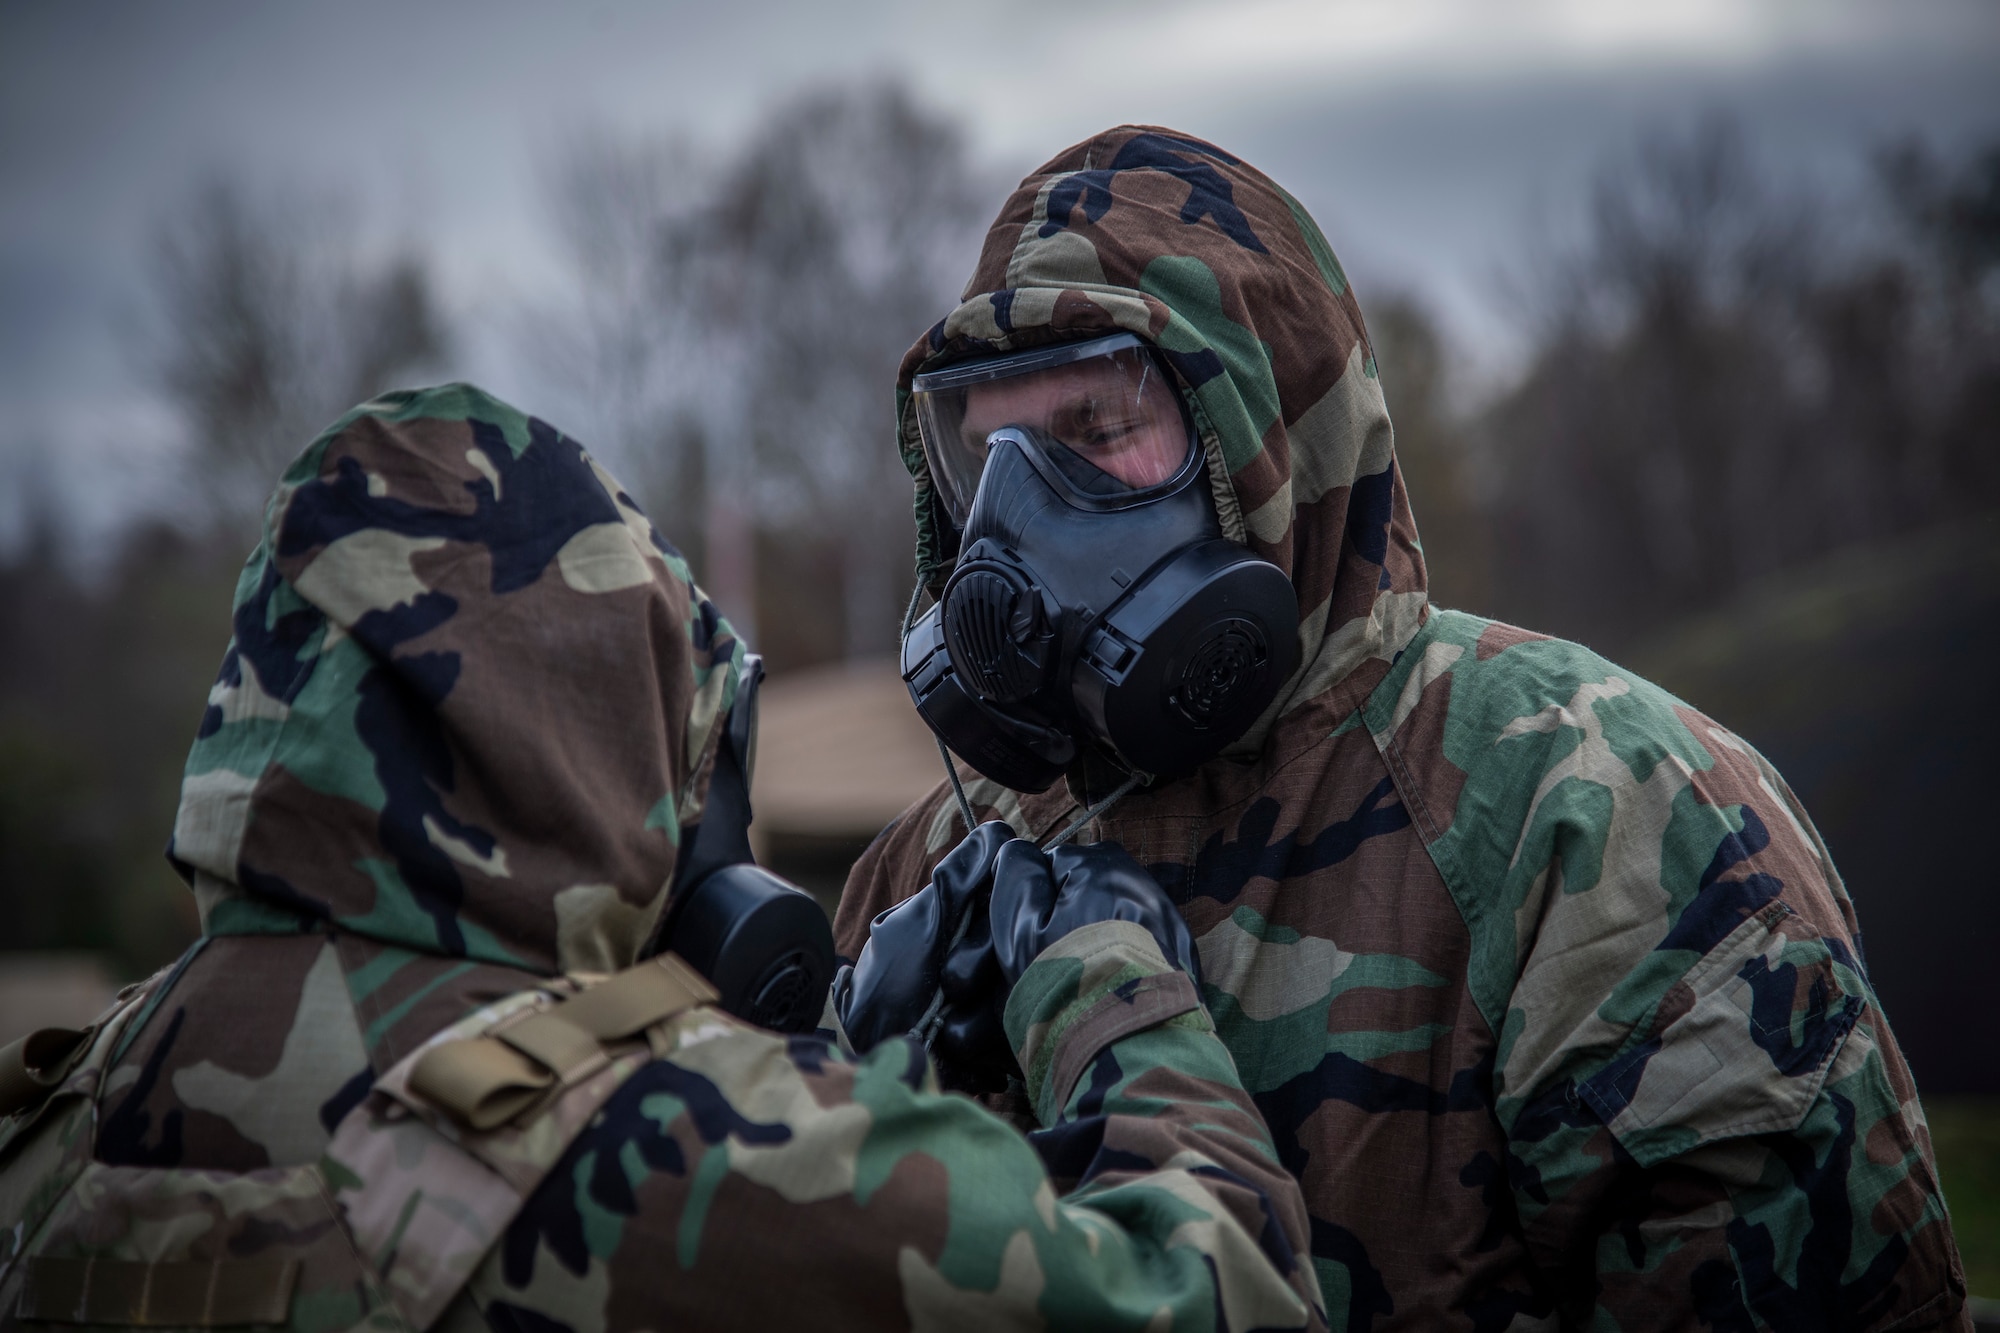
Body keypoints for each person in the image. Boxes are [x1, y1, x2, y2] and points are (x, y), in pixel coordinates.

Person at [835, 126, 1969, 1328]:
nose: (1015, 522)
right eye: (986, 457)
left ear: (1264, 445)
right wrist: (846, 1079)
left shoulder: (1605, 816)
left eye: (1096, 433)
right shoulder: (938, 864)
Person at [0, 384, 1330, 1331]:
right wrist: (1106, 980)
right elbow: (1225, 1295)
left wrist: (842, 1052)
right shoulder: (675, 1146)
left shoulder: (74, 1099)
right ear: (589, 734)